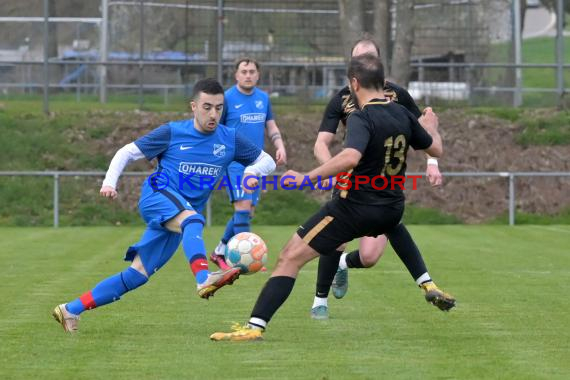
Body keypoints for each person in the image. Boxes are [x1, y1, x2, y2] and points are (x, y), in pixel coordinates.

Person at [210, 53, 448, 341]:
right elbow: (435, 150)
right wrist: (431, 126)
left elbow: (350, 156)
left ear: (355, 83)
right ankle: (425, 283)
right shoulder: (403, 115)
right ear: (384, 83)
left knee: (288, 258)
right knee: (390, 228)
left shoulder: (362, 116)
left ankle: (254, 328)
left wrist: (306, 178)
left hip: (355, 208)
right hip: (392, 208)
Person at [52, 78, 276, 333]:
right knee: (193, 220)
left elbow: (267, 160)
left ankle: (70, 309)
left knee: (137, 275)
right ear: (193, 106)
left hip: (180, 213)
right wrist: (109, 183)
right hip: (157, 195)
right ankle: (203, 279)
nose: (213, 114)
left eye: (218, 107)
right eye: (207, 107)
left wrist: (253, 172)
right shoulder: (172, 132)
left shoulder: (230, 139)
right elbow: (127, 151)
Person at [310, 38, 453, 320]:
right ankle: (319, 302)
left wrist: (432, 163)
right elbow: (320, 143)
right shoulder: (342, 98)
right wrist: (331, 170)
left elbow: (423, 131)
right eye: (358, 59)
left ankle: (342, 264)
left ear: (378, 63)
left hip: (384, 184)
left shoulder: (398, 96)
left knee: (370, 257)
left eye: (369, 58)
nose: (364, 64)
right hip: (352, 184)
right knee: (336, 238)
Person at [209, 58, 287, 271]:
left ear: (258, 75)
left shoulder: (263, 98)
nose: (248, 75)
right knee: (242, 207)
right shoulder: (226, 98)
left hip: (257, 163)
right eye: (244, 71)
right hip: (235, 163)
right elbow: (215, 128)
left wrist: (279, 144)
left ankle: (219, 250)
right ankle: (247, 260)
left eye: (252, 71)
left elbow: (270, 125)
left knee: (248, 211)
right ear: (236, 75)